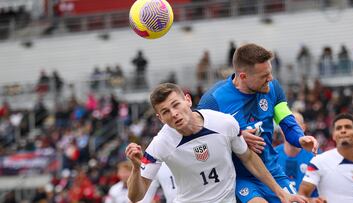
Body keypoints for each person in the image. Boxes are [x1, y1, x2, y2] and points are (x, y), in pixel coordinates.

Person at [126, 83, 307, 203]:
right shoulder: (160, 145)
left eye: (176, 105)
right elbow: (136, 196)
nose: (173, 113)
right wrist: (135, 168)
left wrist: (280, 192)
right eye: (165, 112)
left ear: (187, 100)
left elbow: (249, 158)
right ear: (160, 118)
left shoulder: (224, 123)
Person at [197, 43, 318, 203]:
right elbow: (201, 144)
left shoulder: (272, 87)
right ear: (243, 76)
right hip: (239, 177)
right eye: (264, 76)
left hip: (272, 171)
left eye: (270, 73)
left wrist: (300, 138)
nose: (270, 78)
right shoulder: (213, 101)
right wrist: (235, 138)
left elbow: (285, 119)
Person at [299, 113, 353, 203]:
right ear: (333, 135)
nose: (343, 130)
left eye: (348, 127)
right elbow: (301, 196)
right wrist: (312, 201)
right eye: (338, 128)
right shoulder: (319, 161)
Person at [275, 112, 318, 197]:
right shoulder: (271, 156)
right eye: (287, 126)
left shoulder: (315, 157)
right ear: (281, 129)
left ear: (303, 128)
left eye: (295, 125)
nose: (291, 130)